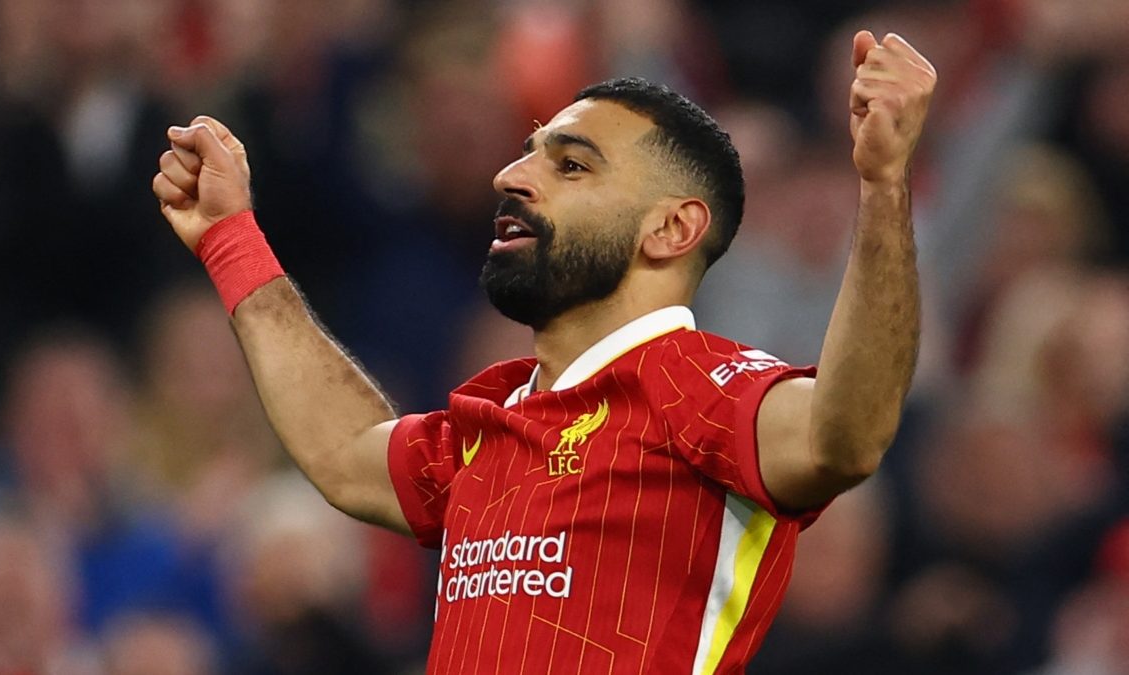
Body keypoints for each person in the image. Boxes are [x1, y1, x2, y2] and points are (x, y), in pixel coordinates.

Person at [152, 30, 935, 675]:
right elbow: (349, 450)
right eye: (527, 152)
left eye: (570, 164)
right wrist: (232, 240)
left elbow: (849, 430)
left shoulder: (709, 391)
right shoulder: (492, 417)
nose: (510, 175)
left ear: (671, 229)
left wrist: (883, 182)